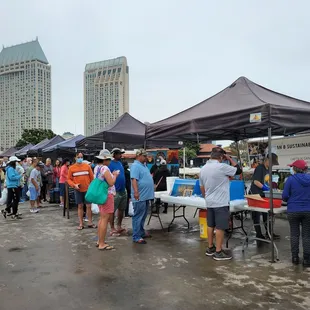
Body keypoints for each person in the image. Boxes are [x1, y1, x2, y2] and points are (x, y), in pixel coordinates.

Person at [199, 151, 242, 261]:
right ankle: (218, 251)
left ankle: (210, 248)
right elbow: (239, 170)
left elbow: (202, 187)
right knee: (220, 227)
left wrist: (206, 197)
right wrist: (230, 159)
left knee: (210, 225)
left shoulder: (203, 168)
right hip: (220, 202)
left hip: (210, 202)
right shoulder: (222, 166)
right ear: (221, 157)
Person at [282, 160, 310, 267]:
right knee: (307, 235)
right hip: (308, 210)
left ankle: (295, 257)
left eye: (292, 167)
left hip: (293, 210)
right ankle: (307, 259)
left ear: (295, 169)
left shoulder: (290, 179)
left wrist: (292, 198)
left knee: (294, 234)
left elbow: (284, 196)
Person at [249, 153, 280, 240]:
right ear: (267, 160)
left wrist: (271, 187)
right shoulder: (260, 168)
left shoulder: (268, 169)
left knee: (267, 213)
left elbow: (268, 180)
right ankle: (259, 234)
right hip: (256, 194)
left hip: (264, 194)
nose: (272, 165)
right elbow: (256, 182)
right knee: (256, 215)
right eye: (272, 163)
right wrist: (264, 187)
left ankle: (269, 233)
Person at [94, 150, 119, 250]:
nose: (110, 161)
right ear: (105, 159)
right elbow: (111, 182)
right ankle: (102, 243)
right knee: (105, 219)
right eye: (108, 159)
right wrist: (115, 175)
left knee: (101, 218)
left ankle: (99, 240)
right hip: (107, 195)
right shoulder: (105, 168)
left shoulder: (97, 167)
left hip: (100, 195)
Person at [130, 149, 154, 244]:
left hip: (146, 196)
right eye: (144, 156)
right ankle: (136, 236)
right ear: (139, 155)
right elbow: (134, 180)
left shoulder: (144, 166)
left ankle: (141, 232)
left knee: (143, 215)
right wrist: (136, 192)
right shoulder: (135, 166)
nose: (146, 158)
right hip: (140, 196)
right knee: (138, 216)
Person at [67, 152, 95, 230]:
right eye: (78, 157)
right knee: (80, 206)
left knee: (89, 206)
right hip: (78, 189)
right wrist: (74, 185)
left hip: (87, 190)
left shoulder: (87, 166)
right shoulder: (71, 168)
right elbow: (68, 179)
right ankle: (81, 223)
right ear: (75, 158)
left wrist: (91, 187)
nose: (80, 158)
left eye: (81, 157)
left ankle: (90, 222)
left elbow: (92, 178)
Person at [109, 148, 127, 235]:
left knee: (121, 209)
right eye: (119, 154)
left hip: (123, 190)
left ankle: (119, 226)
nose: (121, 155)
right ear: (114, 154)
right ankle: (112, 228)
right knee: (112, 210)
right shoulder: (110, 164)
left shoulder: (120, 163)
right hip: (115, 191)